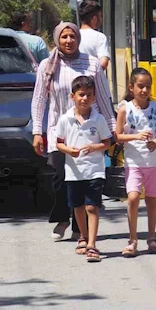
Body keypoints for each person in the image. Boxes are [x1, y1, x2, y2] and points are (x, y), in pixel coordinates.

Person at [31, 22, 115, 242]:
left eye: (72, 37)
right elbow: (39, 100)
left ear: (78, 39)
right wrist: (37, 132)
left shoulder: (92, 63)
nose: (68, 41)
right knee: (60, 179)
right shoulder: (47, 65)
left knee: (83, 181)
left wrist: (112, 129)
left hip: (88, 131)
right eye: (64, 37)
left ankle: (81, 230)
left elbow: (104, 98)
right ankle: (63, 219)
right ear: (57, 40)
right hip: (59, 131)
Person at [54, 75, 113, 262]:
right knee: (78, 207)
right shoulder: (65, 119)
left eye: (89, 95)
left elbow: (107, 142)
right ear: (73, 96)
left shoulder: (99, 119)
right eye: (81, 95)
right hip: (74, 172)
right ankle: (82, 236)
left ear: (94, 98)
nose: (84, 99)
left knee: (92, 207)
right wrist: (68, 151)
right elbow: (59, 143)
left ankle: (92, 245)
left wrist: (94, 147)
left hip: (95, 170)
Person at [115, 68, 156, 257]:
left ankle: (151, 237)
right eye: (140, 86)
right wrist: (136, 136)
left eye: (148, 86)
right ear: (132, 87)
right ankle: (132, 239)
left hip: (153, 161)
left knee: (152, 199)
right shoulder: (125, 108)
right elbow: (118, 136)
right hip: (133, 161)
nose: (144, 90)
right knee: (133, 197)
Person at [77, 1, 110, 71]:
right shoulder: (100, 37)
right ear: (94, 19)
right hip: (91, 80)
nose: (101, 19)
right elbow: (103, 62)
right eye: (100, 16)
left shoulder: (74, 35)